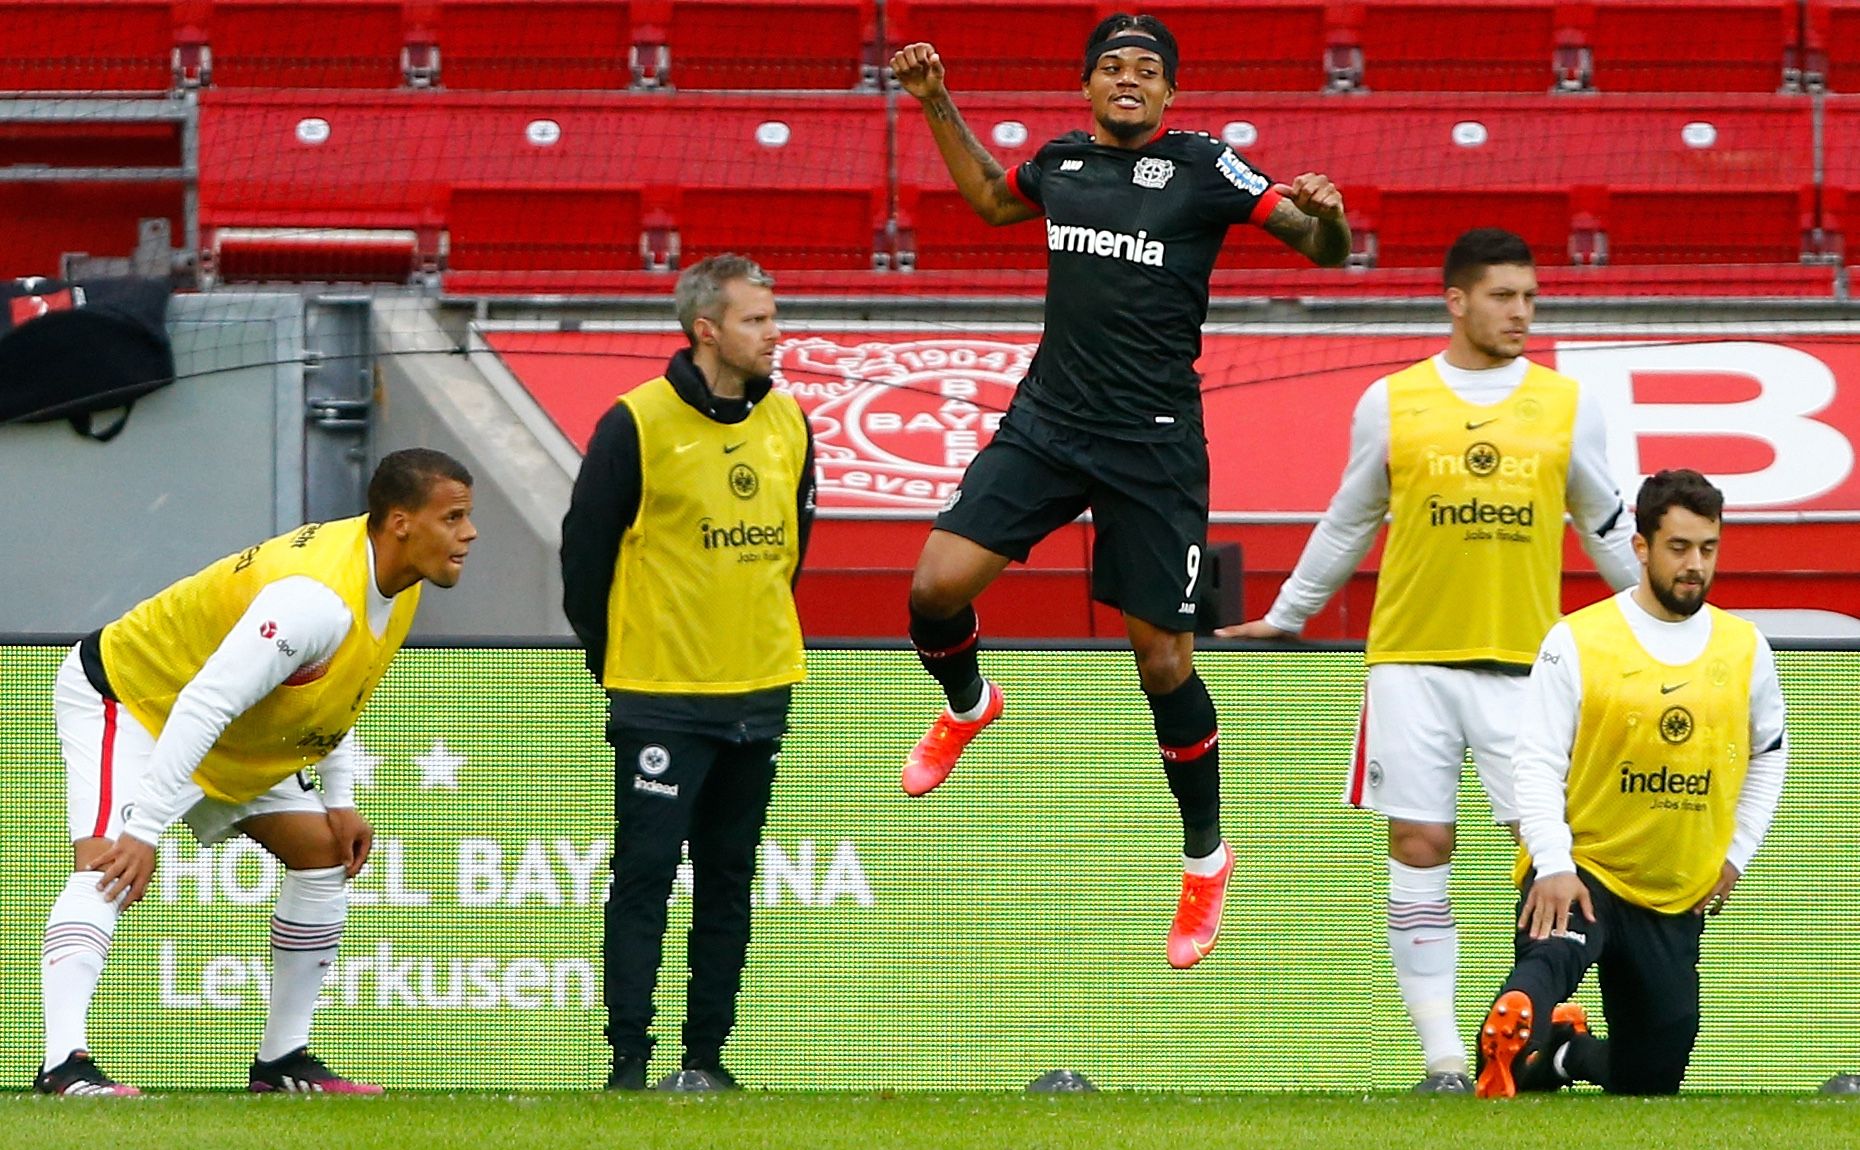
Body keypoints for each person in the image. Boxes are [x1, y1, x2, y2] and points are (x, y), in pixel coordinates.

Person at [888, 12, 1350, 969]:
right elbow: (986, 197)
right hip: (1048, 425)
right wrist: (936, 101)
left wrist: (1329, 212)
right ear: (1088, 87)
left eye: (1147, 68)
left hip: (1155, 447)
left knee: (1164, 667)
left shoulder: (1206, 165)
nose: (1129, 79)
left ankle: (1205, 859)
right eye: (1113, 67)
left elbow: (1319, 247)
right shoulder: (1060, 164)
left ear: (1171, 93)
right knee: (933, 590)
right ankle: (970, 704)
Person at [1219, 228, 1641, 1090]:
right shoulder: (1393, 401)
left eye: (1529, 295)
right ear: (1455, 301)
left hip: (1530, 669)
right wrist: (1284, 616)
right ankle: (1445, 1054)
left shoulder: (1567, 403)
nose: (1521, 311)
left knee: (1551, 848)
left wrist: (1663, 618)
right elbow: (1350, 517)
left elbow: (1604, 520)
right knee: (1420, 843)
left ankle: (1542, 1021)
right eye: (1502, 296)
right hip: (1410, 661)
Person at [36, 448, 477, 1096]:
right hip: (135, 697)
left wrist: (342, 798)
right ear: (401, 522)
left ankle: (282, 1063)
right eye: (455, 517)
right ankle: (61, 1066)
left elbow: (333, 689)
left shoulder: (399, 577)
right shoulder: (314, 599)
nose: (469, 533)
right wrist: (146, 828)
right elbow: (205, 700)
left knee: (324, 853)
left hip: (233, 726)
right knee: (110, 865)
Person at [560, 254, 816, 1092]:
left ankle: (705, 1060)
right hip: (662, 699)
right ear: (706, 330)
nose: (773, 335)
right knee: (644, 876)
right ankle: (627, 1064)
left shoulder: (789, 423)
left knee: (730, 881)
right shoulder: (635, 423)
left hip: (759, 687)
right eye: (755, 321)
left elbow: (792, 550)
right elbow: (584, 558)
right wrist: (621, 664)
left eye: (774, 319)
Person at [1475, 469, 1788, 1098]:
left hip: (1672, 890)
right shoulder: (1578, 640)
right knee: (1553, 950)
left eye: (1707, 548)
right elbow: (1535, 760)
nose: (1694, 565)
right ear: (1641, 548)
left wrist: (1735, 855)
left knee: (1652, 1080)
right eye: (1678, 548)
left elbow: (1768, 755)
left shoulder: (1745, 647)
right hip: (1585, 863)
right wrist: (1553, 861)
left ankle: (1556, 1055)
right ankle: (1511, 1032)